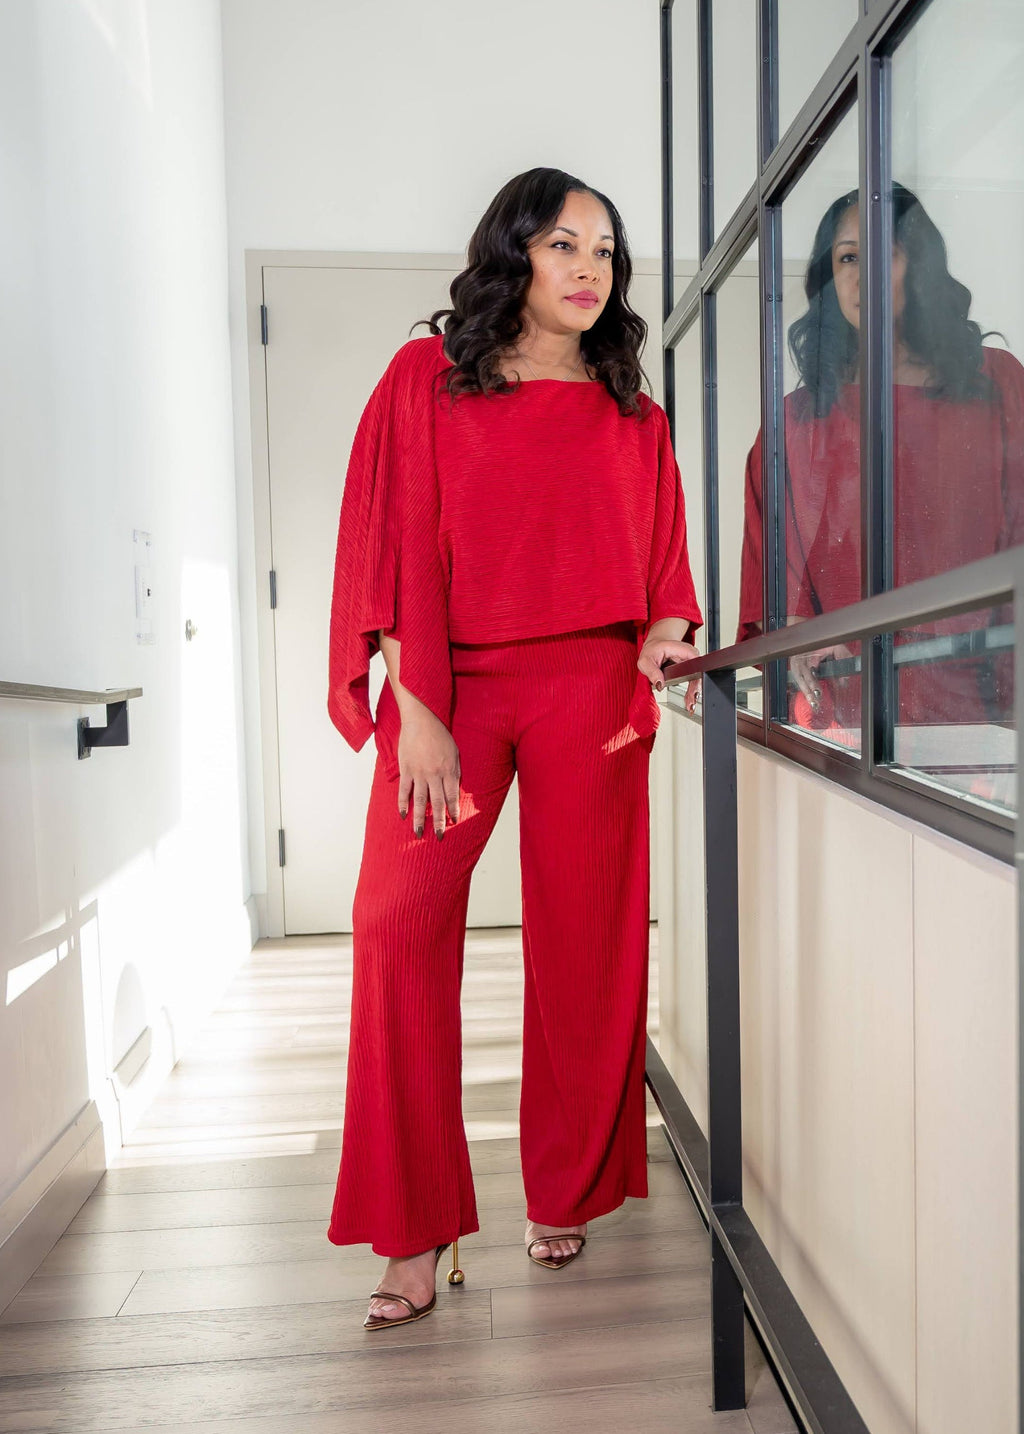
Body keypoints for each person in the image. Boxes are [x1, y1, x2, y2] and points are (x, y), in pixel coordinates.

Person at [325, 167, 703, 1331]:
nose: (589, 267)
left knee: (588, 938)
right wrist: (416, 705)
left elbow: (663, 565)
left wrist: (666, 628)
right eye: (562, 245)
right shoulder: (423, 380)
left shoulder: (632, 409)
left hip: (588, 686)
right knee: (395, 926)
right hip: (454, 690)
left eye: (605, 248)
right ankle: (414, 1228)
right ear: (513, 256)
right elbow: (382, 538)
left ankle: (566, 1187)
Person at [737, 182, 1024, 746]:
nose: (861, 273)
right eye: (846, 257)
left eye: (882, 251)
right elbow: (778, 595)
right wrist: (800, 635)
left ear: (920, 265)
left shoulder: (1000, 385)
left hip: (985, 718)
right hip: (847, 726)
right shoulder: (796, 423)